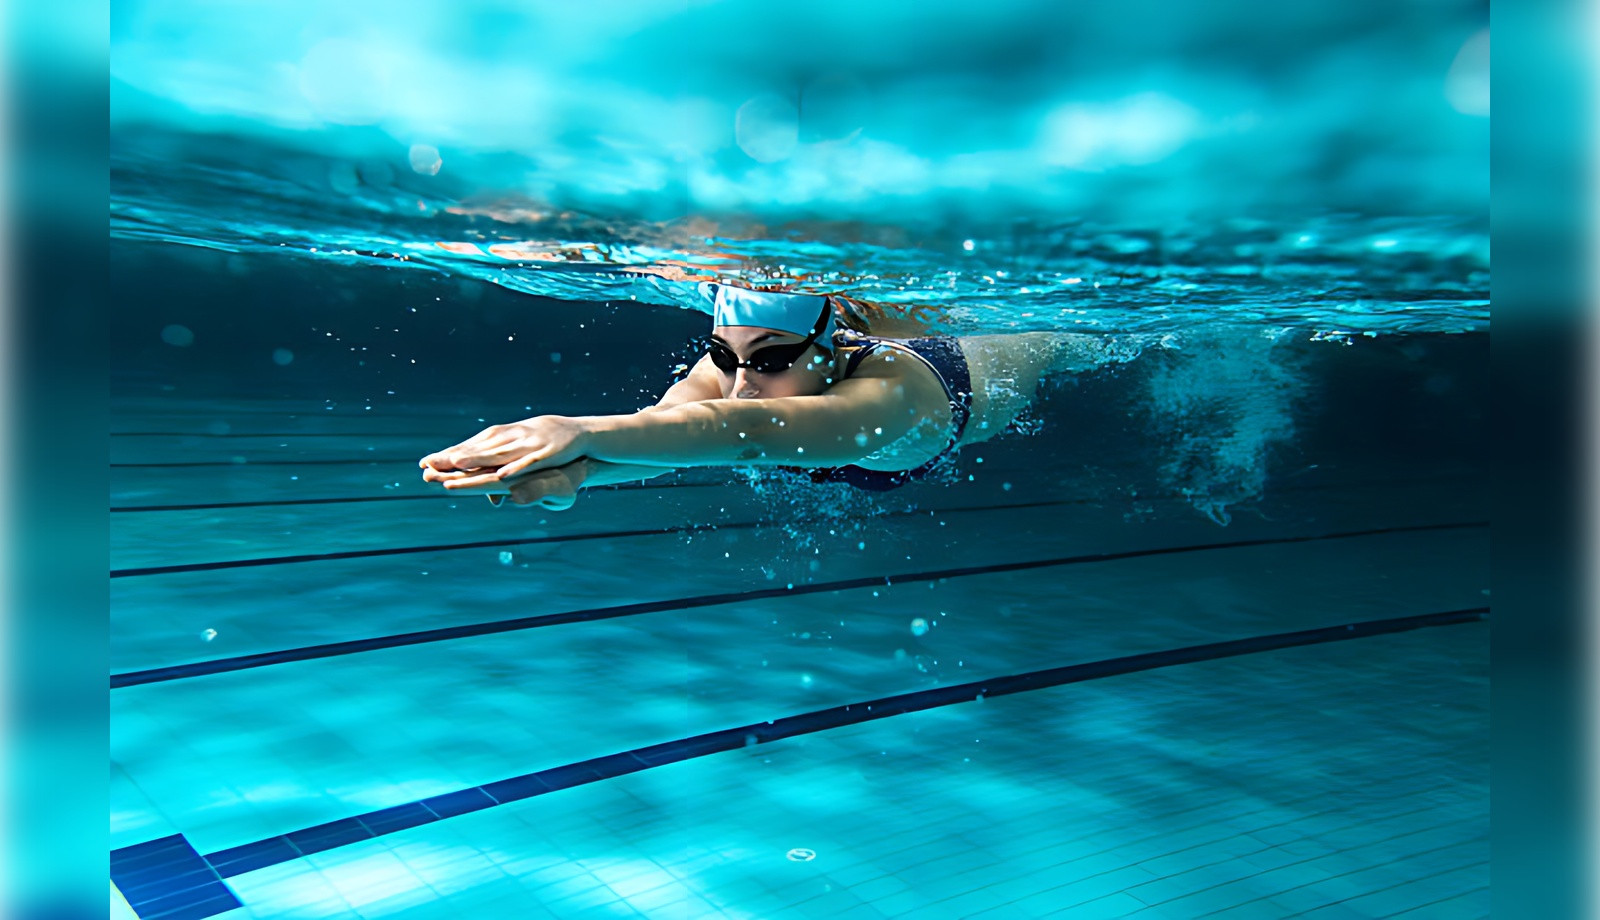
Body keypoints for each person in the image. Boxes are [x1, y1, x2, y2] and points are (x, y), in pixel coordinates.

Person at [419, 283, 1116, 508]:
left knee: (1068, 343)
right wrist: (579, 475)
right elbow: (668, 432)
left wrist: (572, 429)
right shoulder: (732, 376)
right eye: (725, 357)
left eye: (774, 359)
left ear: (831, 347)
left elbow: (741, 431)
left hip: (987, 371)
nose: (743, 382)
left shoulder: (891, 395)